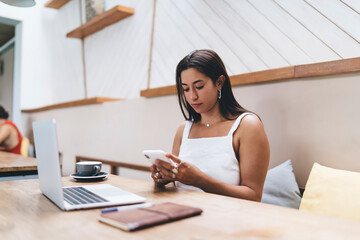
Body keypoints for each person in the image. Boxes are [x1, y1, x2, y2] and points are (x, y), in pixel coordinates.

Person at [150, 49, 270, 201]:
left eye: (199, 86)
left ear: (219, 82)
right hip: (182, 213)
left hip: (226, 219)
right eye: (186, 89)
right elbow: (177, 187)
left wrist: (201, 181)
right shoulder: (184, 130)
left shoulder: (247, 126)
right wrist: (164, 179)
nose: (192, 96)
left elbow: (253, 196)